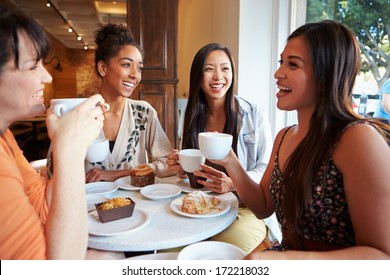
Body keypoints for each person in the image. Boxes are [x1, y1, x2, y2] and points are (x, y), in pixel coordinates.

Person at [200, 20, 390, 259]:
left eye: (293, 64)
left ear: (326, 73)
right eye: (281, 62)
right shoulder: (284, 137)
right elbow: (262, 206)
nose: (278, 73)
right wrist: (230, 160)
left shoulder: (357, 138)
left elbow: (382, 256)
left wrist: (286, 260)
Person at [0, 4, 109, 259]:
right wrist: (70, 150)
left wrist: (66, 142)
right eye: (33, 66)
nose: (47, 77)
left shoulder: (5, 137)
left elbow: (43, 207)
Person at [166, 43, 281, 254]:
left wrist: (234, 184)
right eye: (209, 69)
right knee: (170, 251)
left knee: (216, 255)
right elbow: (195, 172)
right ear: (197, 76)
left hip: (246, 209)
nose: (218, 76)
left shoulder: (254, 115)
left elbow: (266, 170)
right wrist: (182, 167)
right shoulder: (192, 116)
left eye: (225, 68)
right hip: (203, 203)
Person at [47, 23, 174, 182]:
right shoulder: (78, 113)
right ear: (102, 68)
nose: (135, 75)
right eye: (126, 65)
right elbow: (53, 173)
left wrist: (118, 174)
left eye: (139, 68)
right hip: (88, 204)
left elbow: (169, 164)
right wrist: (63, 138)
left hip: (137, 204)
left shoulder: (144, 114)